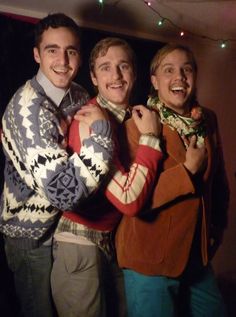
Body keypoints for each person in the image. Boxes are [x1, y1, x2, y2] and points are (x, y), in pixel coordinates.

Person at [0, 13, 114, 317]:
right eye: (52, 50)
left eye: (71, 51)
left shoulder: (78, 93)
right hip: (31, 235)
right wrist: (102, 136)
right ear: (37, 54)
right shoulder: (28, 110)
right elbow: (64, 193)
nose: (63, 60)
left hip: (67, 226)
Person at [51, 37, 163, 317]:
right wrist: (151, 138)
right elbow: (128, 200)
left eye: (123, 66)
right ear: (93, 77)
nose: (115, 76)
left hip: (109, 242)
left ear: (134, 74)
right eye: (105, 67)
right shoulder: (91, 121)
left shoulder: (130, 118)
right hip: (78, 245)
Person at [115, 44, 230, 317]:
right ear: (154, 81)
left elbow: (219, 181)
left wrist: (217, 228)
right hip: (149, 260)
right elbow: (137, 199)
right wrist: (187, 170)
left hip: (196, 257)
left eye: (186, 69)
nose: (179, 77)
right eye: (169, 70)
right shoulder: (136, 124)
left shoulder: (207, 120)